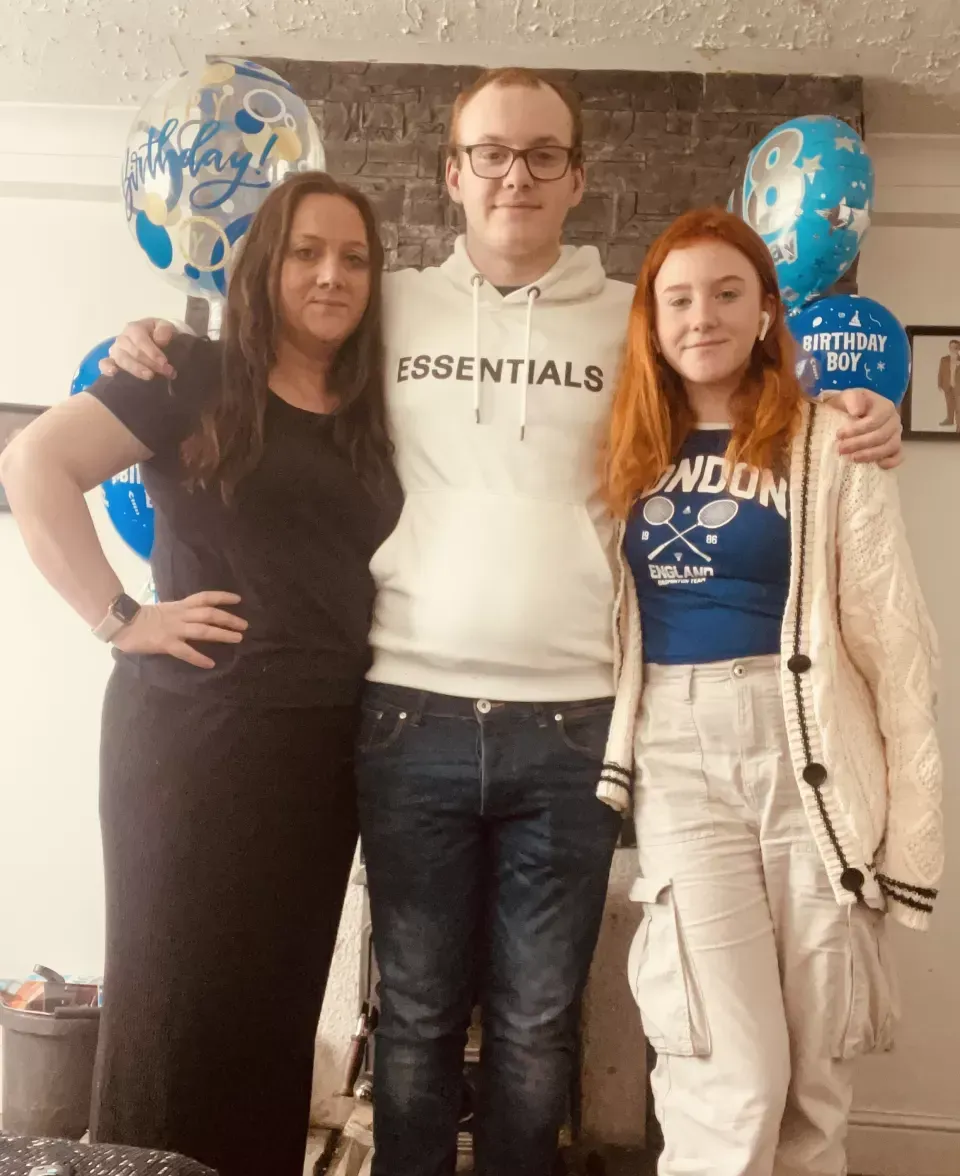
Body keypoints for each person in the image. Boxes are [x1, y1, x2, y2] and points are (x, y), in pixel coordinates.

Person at [98, 68, 905, 1176]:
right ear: (453, 173)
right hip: (407, 713)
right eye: (490, 153)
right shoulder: (387, 305)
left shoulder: (632, 316)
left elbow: (736, 367)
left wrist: (854, 402)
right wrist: (158, 336)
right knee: (416, 1023)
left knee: (535, 1031)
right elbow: (278, 343)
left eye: (541, 154)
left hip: (576, 727)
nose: (513, 175)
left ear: (576, 176)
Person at [0, 173, 401, 1176]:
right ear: (263, 266)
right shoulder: (188, 371)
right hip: (192, 743)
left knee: (271, 1024)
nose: (331, 275)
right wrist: (118, 617)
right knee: (172, 1016)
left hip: (317, 756)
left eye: (354, 258)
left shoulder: (370, 404)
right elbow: (33, 463)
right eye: (307, 251)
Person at [597, 207, 942, 1176]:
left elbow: (897, 649)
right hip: (677, 753)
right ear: (652, 321)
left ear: (765, 313)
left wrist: (914, 842)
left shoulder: (831, 439)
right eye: (678, 299)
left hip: (812, 757)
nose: (701, 316)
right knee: (728, 1071)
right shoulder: (624, 444)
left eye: (726, 293)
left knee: (813, 1087)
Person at [937, 337, 960, 427]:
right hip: (947, 386)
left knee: (958, 407)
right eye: (951, 347)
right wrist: (939, 384)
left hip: (958, 387)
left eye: (955, 347)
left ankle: (959, 425)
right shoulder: (944, 359)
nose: (952, 349)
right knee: (949, 405)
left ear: (958, 348)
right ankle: (949, 420)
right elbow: (941, 372)